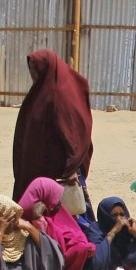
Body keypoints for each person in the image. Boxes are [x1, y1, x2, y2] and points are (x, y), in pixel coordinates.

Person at [11, 49, 93, 201]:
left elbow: (74, 132)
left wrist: (71, 168)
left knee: (62, 215)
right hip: (38, 165)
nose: (32, 74)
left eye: (35, 69)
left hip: (58, 169)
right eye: (30, 69)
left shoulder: (61, 94)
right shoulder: (41, 91)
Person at [18, 177, 95, 270]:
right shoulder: (23, 223)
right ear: (44, 197)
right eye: (54, 197)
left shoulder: (53, 211)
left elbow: (72, 231)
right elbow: (52, 252)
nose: (58, 202)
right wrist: (39, 221)